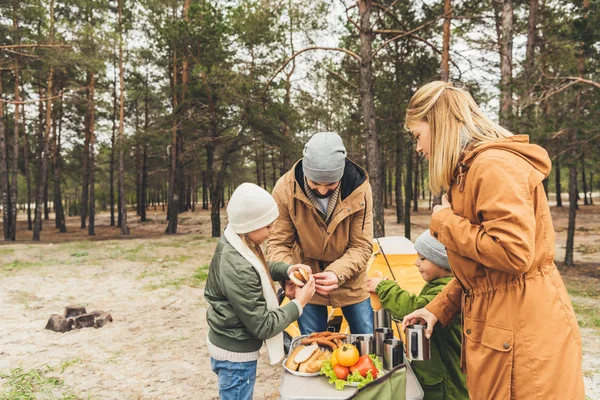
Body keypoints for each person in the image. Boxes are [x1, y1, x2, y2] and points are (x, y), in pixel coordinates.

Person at [400, 81, 584, 399]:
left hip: (526, 339)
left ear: (439, 123)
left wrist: (445, 221)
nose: (418, 148)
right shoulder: (467, 173)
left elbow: (514, 253)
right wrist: (439, 308)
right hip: (504, 333)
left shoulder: (493, 166)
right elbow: (482, 272)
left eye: (418, 135)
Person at [204, 183, 316, 400]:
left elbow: (260, 267)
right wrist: (299, 304)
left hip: (231, 346)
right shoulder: (237, 267)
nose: (272, 230)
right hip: (235, 357)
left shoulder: (237, 243)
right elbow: (264, 326)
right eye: (268, 226)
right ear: (250, 225)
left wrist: (287, 270)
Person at [267, 132, 374, 335]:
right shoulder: (285, 189)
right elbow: (278, 243)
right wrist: (289, 271)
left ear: (341, 175)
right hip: (308, 279)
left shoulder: (360, 190)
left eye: (331, 185)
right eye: (315, 184)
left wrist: (337, 272)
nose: (323, 191)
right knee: (313, 342)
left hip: (350, 278)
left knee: (365, 337)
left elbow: (361, 245)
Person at [367, 230, 468, 400]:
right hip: (435, 373)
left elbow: (413, 308)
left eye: (423, 258)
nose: (416, 263)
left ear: (442, 262)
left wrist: (383, 288)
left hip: (444, 383)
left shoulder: (445, 291)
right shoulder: (439, 285)